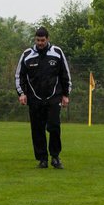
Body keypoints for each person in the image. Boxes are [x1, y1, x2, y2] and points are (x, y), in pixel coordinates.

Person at [14, 26, 71, 169]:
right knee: (37, 129)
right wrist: (21, 93)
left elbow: (65, 74)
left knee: (54, 126)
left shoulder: (57, 53)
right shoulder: (27, 55)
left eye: (43, 40)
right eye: (38, 40)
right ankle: (42, 159)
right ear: (35, 39)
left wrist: (66, 94)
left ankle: (55, 157)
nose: (40, 43)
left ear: (48, 39)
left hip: (54, 97)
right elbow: (19, 76)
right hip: (34, 98)